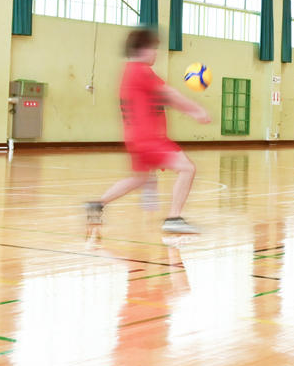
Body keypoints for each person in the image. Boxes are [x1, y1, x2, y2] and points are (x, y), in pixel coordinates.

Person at [89, 28, 211, 234]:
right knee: (187, 168)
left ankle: (97, 205)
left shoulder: (129, 72)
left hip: (135, 139)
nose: (156, 53)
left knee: (139, 179)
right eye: (154, 48)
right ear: (143, 49)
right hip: (149, 139)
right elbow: (169, 94)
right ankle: (174, 218)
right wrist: (196, 110)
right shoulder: (140, 71)